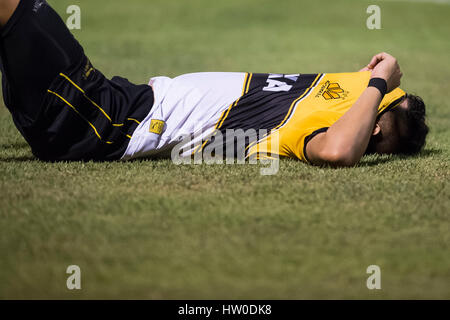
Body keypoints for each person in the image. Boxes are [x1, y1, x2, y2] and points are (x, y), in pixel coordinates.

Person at [0, 0, 428, 166]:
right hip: (119, 99)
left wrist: (377, 85)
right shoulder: (328, 100)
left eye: (380, 91)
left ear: (372, 122)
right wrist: (370, 80)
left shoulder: (310, 131)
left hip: (101, 122)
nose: (373, 81)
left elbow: (338, 152)